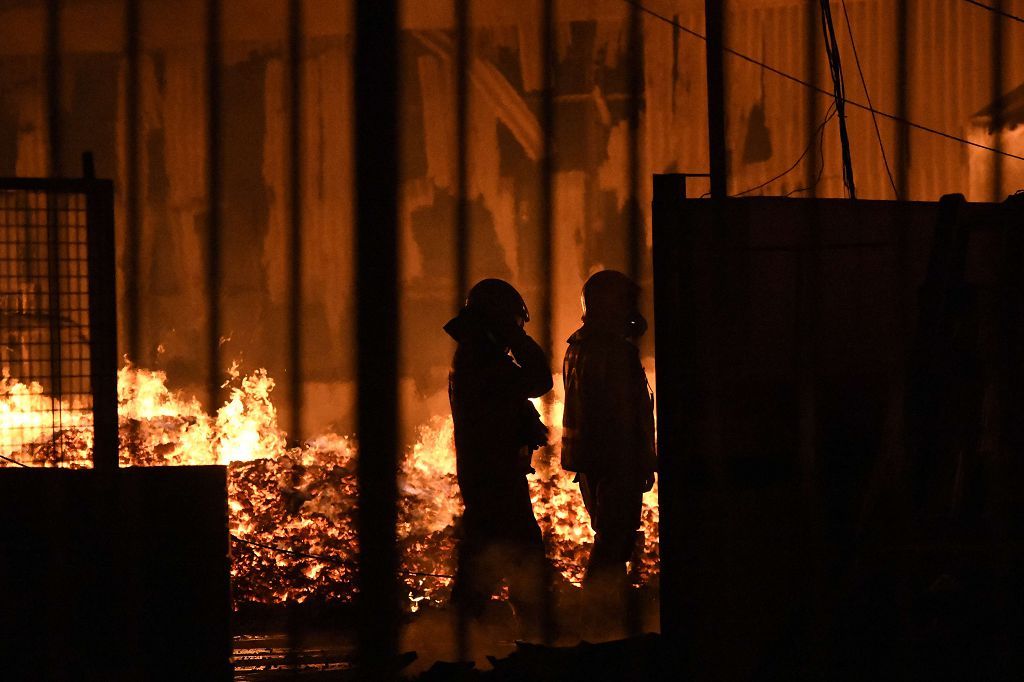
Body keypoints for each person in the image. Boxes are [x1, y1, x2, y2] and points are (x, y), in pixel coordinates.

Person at [444, 278, 554, 639]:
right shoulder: (481, 362)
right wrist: (516, 338)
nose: (517, 328)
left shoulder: (478, 357)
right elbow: (539, 379)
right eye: (511, 321)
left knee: (496, 560)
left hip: (490, 476)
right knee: (510, 559)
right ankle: (530, 637)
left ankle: (456, 639)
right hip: (495, 480)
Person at [561, 270, 656, 629]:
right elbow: (625, 412)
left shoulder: (577, 347)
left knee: (610, 536)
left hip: (588, 459)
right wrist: (643, 459)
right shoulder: (615, 353)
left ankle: (603, 615)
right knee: (614, 541)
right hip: (617, 460)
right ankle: (599, 619)